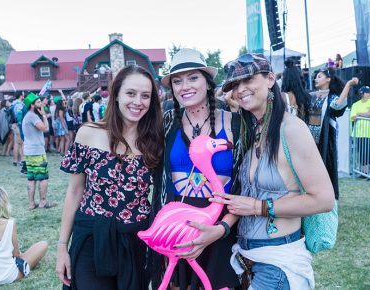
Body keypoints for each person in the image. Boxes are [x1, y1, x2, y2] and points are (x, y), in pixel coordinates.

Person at [209, 53, 335, 289]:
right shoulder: (253, 129)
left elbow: (324, 199)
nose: (241, 89)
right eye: (235, 85)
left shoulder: (291, 129)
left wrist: (258, 207)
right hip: (249, 260)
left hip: (277, 264)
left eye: (248, 80)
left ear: (269, 79)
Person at [56, 65, 163, 290]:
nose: (138, 101)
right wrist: (62, 246)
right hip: (91, 238)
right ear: (116, 95)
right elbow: (75, 192)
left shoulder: (155, 141)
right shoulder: (88, 133)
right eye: (131, 93)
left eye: (145, 96)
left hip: (135, 240)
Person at [151, 48, 242, 290]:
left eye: (193, 78)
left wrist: (221, 229)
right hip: (176, 230)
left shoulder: (235, 123)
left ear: (208, 82)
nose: (185, 86)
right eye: (177, 81)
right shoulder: (167, 122)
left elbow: (246, 186)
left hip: (219, 227)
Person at [0, 186, 48, 285]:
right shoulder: (10, 223)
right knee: (43, 244)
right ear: (4, 203)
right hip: (7, 275)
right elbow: (16, 254)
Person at [309, 68, 358, 199]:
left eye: (319, 76)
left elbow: (337, 106)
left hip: (325, 141)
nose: (316, 79)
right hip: (309, 141)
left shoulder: (332, 97)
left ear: (328, 79)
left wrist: (348, 85)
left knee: (326, 168)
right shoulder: (312, 96)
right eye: (316, 77)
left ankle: (326, 198)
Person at [22, 93, 56, 210]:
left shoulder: (28, 115)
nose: (41, 104)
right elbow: (46, 128)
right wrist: (44, 115)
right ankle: (42, 202)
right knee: (42, 178)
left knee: (31, 179)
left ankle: (31, 204)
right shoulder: (33, 116)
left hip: (29, 151)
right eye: (38, 102)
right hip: (36, 152)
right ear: (32, 105)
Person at [350, 86, 370, 175]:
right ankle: (364, 172)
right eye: (367, 92)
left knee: (368, 152)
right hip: (358, 133)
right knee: (361, 153)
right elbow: (353, 117)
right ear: (362, 94)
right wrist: (366, 114)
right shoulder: (355, 104)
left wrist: (360, 114)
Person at [281, 59, 311, 123]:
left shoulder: (283, 97)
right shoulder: (307, 96)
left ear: (285, 79)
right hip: (304, 131)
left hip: (288, 131)